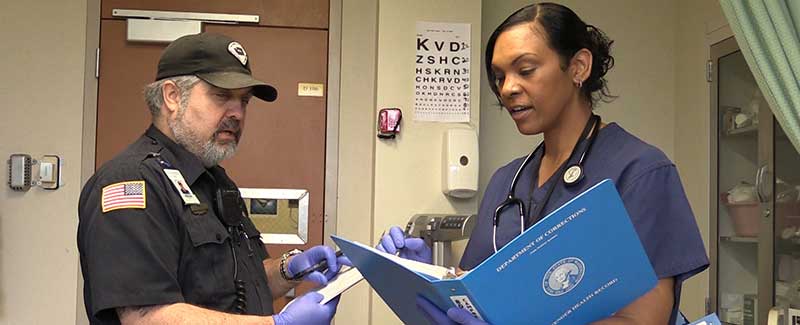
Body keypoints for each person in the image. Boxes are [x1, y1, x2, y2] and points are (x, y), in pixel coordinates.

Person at [378, 3, 709, 324]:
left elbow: (642, 320)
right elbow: (474, 292)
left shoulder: (640, 172)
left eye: (525, 70)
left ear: (578, 66)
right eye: (498, 76)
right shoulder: (506, 181)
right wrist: (429, 279)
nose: (507, 88)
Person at [77, 33, 347, 324]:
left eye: (244, 101)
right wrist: (278, 324)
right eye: (221, 96)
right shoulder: (133, 182)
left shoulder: (214, 180)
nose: (237, 113)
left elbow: (240, 285)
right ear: (172, 96)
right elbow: (146, 317)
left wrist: (290, 269)